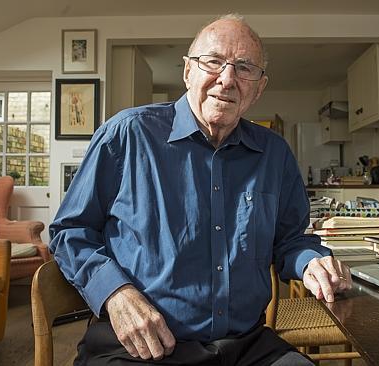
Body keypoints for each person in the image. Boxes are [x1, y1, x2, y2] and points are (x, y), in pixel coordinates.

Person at [49, 14, 352, 366]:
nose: (227, 80)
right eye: (213, 62)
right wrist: (116, 294)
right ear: (188, 71)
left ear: (259, 87)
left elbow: (290, 240)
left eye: (244, 68)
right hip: (141, 347)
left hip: (246, 346)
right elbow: (70, 231)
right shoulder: (127, 135)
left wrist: (311, 262)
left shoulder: (275, 154)